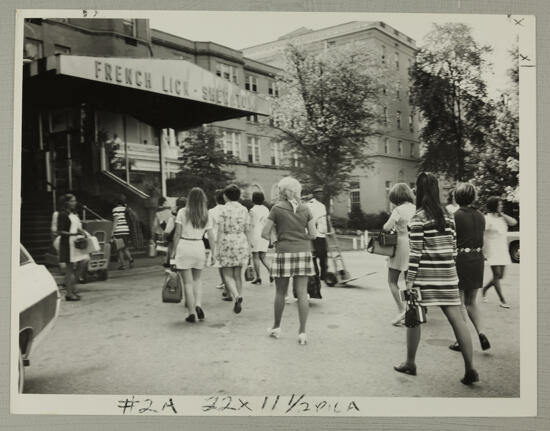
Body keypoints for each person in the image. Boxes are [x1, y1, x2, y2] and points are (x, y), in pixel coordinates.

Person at [393, 173, 478, 385]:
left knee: (413, 319)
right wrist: (450, 270)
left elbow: (416, 253)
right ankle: (470, 369)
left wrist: (410, 280)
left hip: (424, 277)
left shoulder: (419, 218)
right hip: (448, 275)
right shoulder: (449, 216)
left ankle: (410, 363)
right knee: (457, 320)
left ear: (419, 191)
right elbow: (453, 248)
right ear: (436, 190)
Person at [261, 176, 317, 345]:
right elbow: (313, 234)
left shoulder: (276, 209)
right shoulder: (306, 209)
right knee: (302, 293)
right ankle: (302, 332)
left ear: (282, 191)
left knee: (280, 292)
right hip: (303, 252)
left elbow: (264, 233)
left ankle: (277, 327)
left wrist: (276, 240)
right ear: (297, 191)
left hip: (283, 251)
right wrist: (301, 237)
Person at [448, 183, 491, 352]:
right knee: (472, 301)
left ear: (456, 198)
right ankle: (482, 332)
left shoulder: (455, 216)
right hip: (478, 258)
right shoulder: (481, 216)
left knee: (458, 302)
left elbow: (451, 239)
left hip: (461, 259)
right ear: (473, 197)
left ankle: (461, 340)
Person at [171, 188, 216, 322]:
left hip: (184, 246)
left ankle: (191, 313)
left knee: (188, 283)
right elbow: (211, 236)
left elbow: (177, 234)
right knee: (197, 280)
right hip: (199, 247)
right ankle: (198, 305)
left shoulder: (182, 212)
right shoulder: (206, 214)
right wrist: (213, 253)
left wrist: (173, 251)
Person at [382, 183, 416, 326]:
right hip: (414, 245)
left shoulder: (398, 210)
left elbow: (386, 227)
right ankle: (412, 309)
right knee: (411, 281)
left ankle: (401, 309)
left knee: (392, 280)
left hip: (400, 245)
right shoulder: (416, 208)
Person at [214, 184, 251, 313]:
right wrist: (249, 247)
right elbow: (247, 229)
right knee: (238, 274)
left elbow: (220, 229)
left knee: (227, 273)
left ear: (225, 196)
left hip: (227, 241)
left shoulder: (223, 210)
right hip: (241, 241)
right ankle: (239, 295)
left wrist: (216, 247)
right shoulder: (244, 209)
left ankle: (237, 296)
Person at [481, 196, 518, 308]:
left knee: (500, 276)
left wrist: (502, 214)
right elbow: (481, 234)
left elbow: (514, 222)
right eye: (499, 204)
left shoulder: (502, 218)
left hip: (502, 249)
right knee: (496, 274)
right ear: (494, 206)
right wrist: (483, 250)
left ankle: (485, 289)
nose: (501, 206)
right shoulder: (487, 219)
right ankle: (503, 300)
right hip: (492, 249)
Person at [56, 194, 90, 301]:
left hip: (75, 243)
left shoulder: (74, 213)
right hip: (67, 243)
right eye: (72, 201)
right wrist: (73, 234)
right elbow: (60, 231)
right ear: (67, 203)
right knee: (69, 269)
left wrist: (83, 232)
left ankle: (72, 286)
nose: (75, 203)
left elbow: (77, 227)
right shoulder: (62, 214)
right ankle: (69, 294)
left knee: (85, 260)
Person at [208, 190, 230, 299]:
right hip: (229, 238)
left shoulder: (212, 211)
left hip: (217, 239)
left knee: (220, 265)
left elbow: (209, 228)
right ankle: (228, 285)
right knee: (228, 264)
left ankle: (226, 285)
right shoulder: (228, 209)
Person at [306, 186, 329, 284]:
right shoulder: (310, 204)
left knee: (324, 255)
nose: (321, 195)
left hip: (322, 234)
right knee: (315, 254)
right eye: (319, 193)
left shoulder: (322, 205)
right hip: (314, 234)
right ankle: (316, 274)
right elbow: (309, 218)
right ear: (314, 194)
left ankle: (323, 275)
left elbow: (324, 219)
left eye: (322, 193)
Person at [249, 191, 271, 285]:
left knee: (255, 256)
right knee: (263, 256)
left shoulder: (252, 210)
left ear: (253, 199)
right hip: (264, 234)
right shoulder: (266, 209)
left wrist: (248, 238)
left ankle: (258, 277)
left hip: (255, 235)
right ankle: (272, 272)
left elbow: (251, 225)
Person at [112, 194, 134, 270]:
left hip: (119, 231)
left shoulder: (115, 210)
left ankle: (123, 265)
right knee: (125, 248)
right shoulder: (126, 208)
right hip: (126, 230)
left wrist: (112, 231)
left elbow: (115, 221)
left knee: (119, 249)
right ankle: (130, 259)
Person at [163, 197, 186, 268]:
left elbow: (167, 231)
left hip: (174, 241)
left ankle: (172, 267)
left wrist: (164, 237)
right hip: (186, 241)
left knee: (172, 255)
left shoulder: (173, 218)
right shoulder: (190, 217)